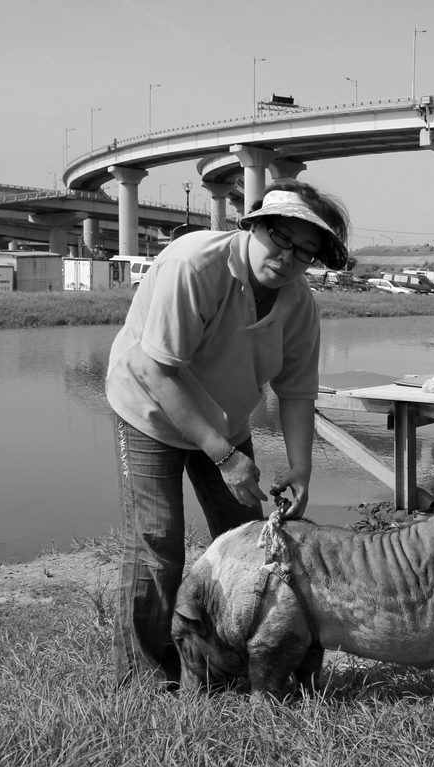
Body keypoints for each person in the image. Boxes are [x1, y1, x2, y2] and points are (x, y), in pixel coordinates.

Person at [104, 178, 350, 688]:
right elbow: (157, 371)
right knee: (156, 542)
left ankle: (227, 659)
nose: (288, 256)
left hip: (225, 418)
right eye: (280, 237)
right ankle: (145, 677)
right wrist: (224, 456)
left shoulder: (299, 304)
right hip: (148, 410)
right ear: (254, 225)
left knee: (247, 544)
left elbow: (298, 392)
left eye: (305, 250)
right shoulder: (194, 263)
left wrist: (301, 469)